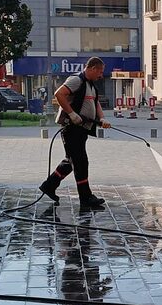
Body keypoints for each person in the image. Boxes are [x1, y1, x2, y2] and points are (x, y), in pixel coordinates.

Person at [39, 57, 112, 210]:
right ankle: (86, 198)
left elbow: (95, 102)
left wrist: (102, 118)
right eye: (100, 71)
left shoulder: (90, 84)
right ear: (92, 68)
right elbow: (59, 94)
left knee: (71, 160)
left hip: (82, 128)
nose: (101, 75)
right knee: (80, 162)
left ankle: (49, 186)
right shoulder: (76, 80)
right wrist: (72, 114)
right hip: (71, 128)